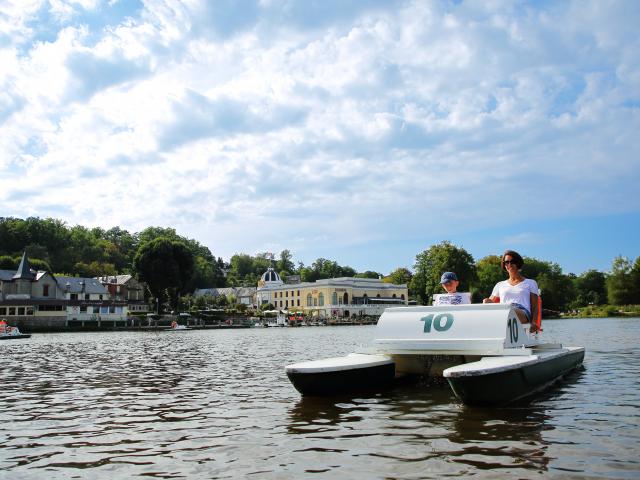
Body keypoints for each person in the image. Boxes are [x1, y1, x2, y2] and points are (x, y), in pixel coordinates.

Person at [483, 250, 539, 327]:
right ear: (504, 265)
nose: (509, 264)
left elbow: (535, 306)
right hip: (503, 310)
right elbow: (490, 303)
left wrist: (534, 322)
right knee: (485, 301)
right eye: (506, 262)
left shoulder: (531, 283)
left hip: (522, 311)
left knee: (510, 311)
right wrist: (486, 301)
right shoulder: (500, 285)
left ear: (518, 263)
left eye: (512, 262)